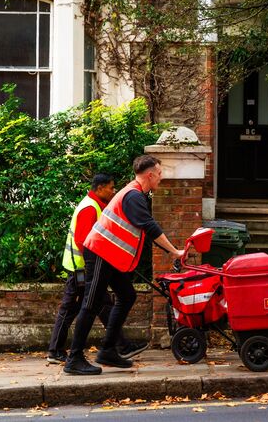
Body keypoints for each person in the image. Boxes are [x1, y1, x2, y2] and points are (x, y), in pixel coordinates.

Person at [64, 155, 184, 375]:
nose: (161, 178)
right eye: (159, 174)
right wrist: (175, 251)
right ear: (150, 175)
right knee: (90, 304)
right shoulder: (133, 196)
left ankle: (108, 350)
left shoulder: (134, 193)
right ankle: (74, 359)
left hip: (109, 256)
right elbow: (150, 227)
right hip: (100, 252)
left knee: (127, 295)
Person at [47, 173, 148, 364]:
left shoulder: (98, 206)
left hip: (87, 269)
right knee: (72, 308)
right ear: (100, 188)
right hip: (81, 270)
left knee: (102, 306)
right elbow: (82, 242)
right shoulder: (89, 208)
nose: (113, 191)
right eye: (111, 187)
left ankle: (119, 345)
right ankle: (55, 351)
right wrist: (95, 268)